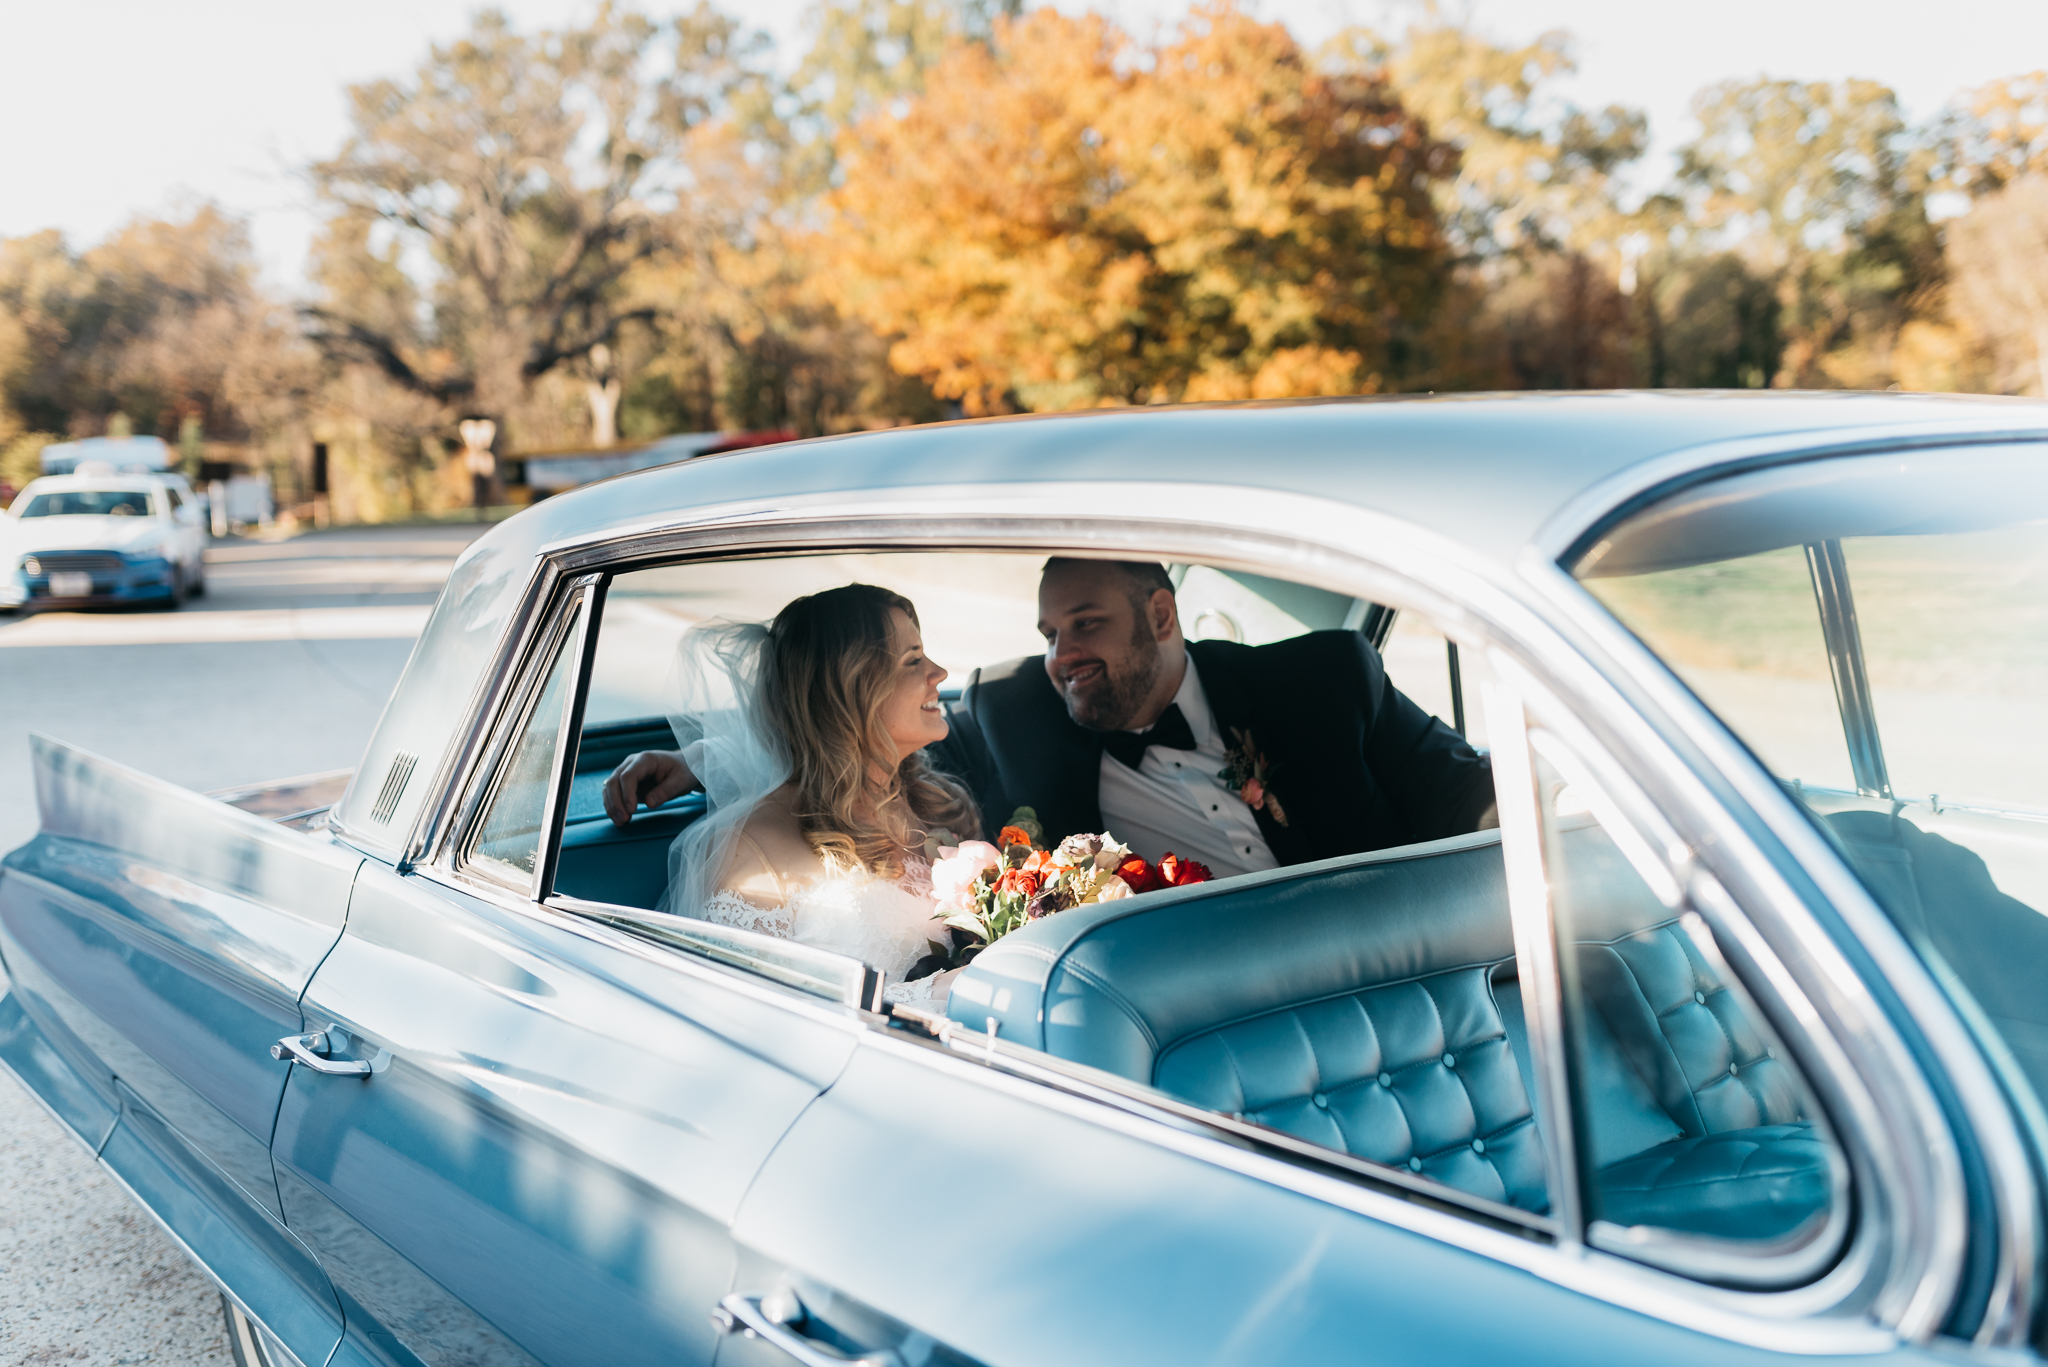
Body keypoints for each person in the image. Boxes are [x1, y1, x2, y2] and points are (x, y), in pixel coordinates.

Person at [933, 559, 1496, 873]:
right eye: (1050, 635)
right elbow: (894, 753)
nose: (1062, 656)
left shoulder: (1323, 681)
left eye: (1085, 623)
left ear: (1159, 616)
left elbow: (1471, 799)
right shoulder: (1014, 711)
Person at [612, 583, 980, 1004]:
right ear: (849, 689)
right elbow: (753, 1015)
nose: (939, 673)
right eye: (913, 659)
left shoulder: (939, 804)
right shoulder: (751, 851)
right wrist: (937, 993)